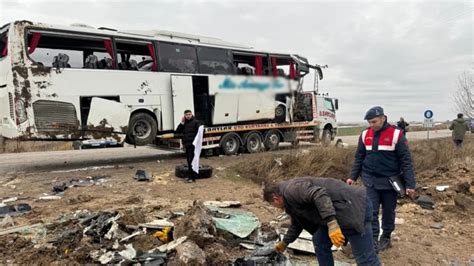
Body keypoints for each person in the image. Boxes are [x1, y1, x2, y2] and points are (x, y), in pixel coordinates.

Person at [264, 177, 381, 266]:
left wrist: (332, 224)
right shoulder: (289, 201)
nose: (275, 207)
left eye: (273, 204)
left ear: (276, 198)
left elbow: (319, 194)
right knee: (320, 241)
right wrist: (284, 243)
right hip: (338, 213)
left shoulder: (292, 190)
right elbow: (297, 223)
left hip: (354, 208)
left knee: (365, 259)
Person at [347, 106, 416, 253]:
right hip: (370, 180)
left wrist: (410, 184)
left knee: (388, 211)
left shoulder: (397, 135)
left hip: (390, 181)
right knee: (370, 211)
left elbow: (406, 161)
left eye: (374, 122)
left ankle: (386, 237)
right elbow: (359, 158)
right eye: (369, 122)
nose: (371, 125)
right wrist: (352, 177)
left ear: (383, 118)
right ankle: (373, 241)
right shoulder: (365, 135)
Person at [175, 110, 201, 183]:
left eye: (189, 114)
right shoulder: (184, 123)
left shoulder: (196, 122)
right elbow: (177, 131)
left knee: (191, 161)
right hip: (187, 144)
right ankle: (190, 176)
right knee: (189, 161)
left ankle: (192, 177)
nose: (188, 116)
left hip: (193, 145)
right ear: (184, 116)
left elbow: (200, 132)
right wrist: (182, 123)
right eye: (186, 115)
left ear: (192, 114)